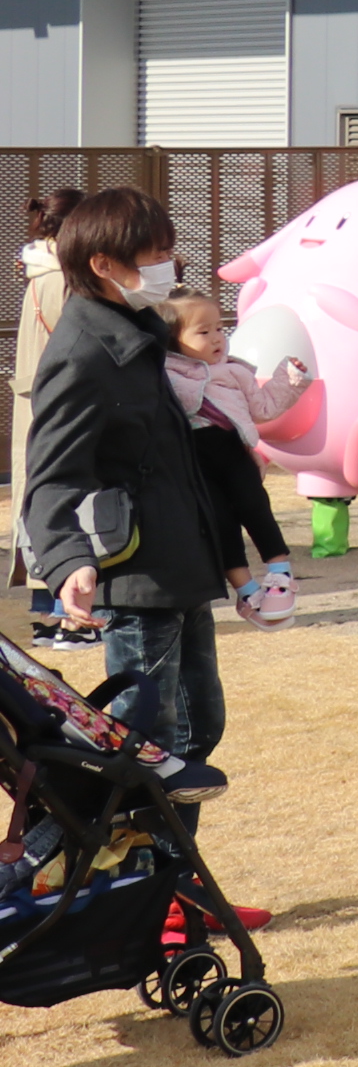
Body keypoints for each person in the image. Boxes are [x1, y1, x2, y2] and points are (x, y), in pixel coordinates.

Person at [23, 189, 241, 766]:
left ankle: (167, 854)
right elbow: (49, 475)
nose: (172, 265)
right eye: (158, 254)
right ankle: (136, 855)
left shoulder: (139, 328)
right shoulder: (85, 352)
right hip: (139, 577)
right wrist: (68, 561)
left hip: (182, 565)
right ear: (104, 265)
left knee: (198, 731)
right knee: (147, 744)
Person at [159, 291, 303, 606]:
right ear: (172, 339)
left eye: (220, 329)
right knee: (219, 522)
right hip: (193, 458)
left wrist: (290, 378)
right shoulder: (164, 372)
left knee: (255, 507)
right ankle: (246, 591)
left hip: (233, 451)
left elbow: (264, 408)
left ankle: (280, 574)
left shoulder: (234, 371)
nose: (216, 338)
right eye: (203, 331)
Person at [13, 191, 81, 641]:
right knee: (67, 501)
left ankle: (45, 614)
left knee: (35, 502)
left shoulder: (37, 271)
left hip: (31, 400)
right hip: (62, 400)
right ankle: (68, 614)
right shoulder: (68, 278)